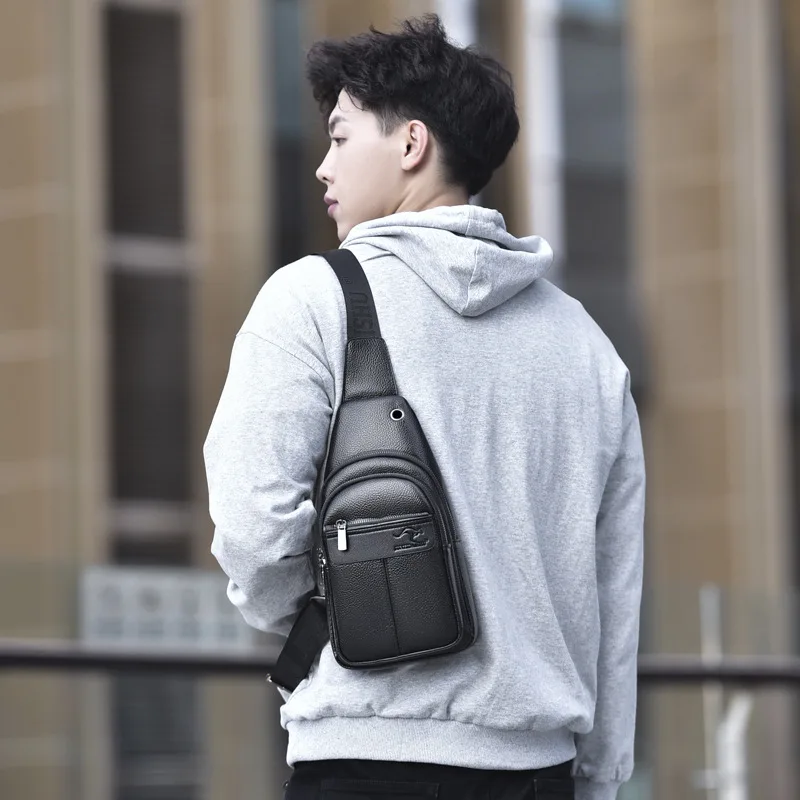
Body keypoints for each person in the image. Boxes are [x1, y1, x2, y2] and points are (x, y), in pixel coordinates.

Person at [204, 14, 645, 800]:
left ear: (411, 143)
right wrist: (600, 774)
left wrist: (336, 621)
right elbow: (613, 583)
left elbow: (253, 532)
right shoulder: (587, 346)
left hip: (366, 757)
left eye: (340, 137)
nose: (322, 167)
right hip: (538, 770)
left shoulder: (313, 299)